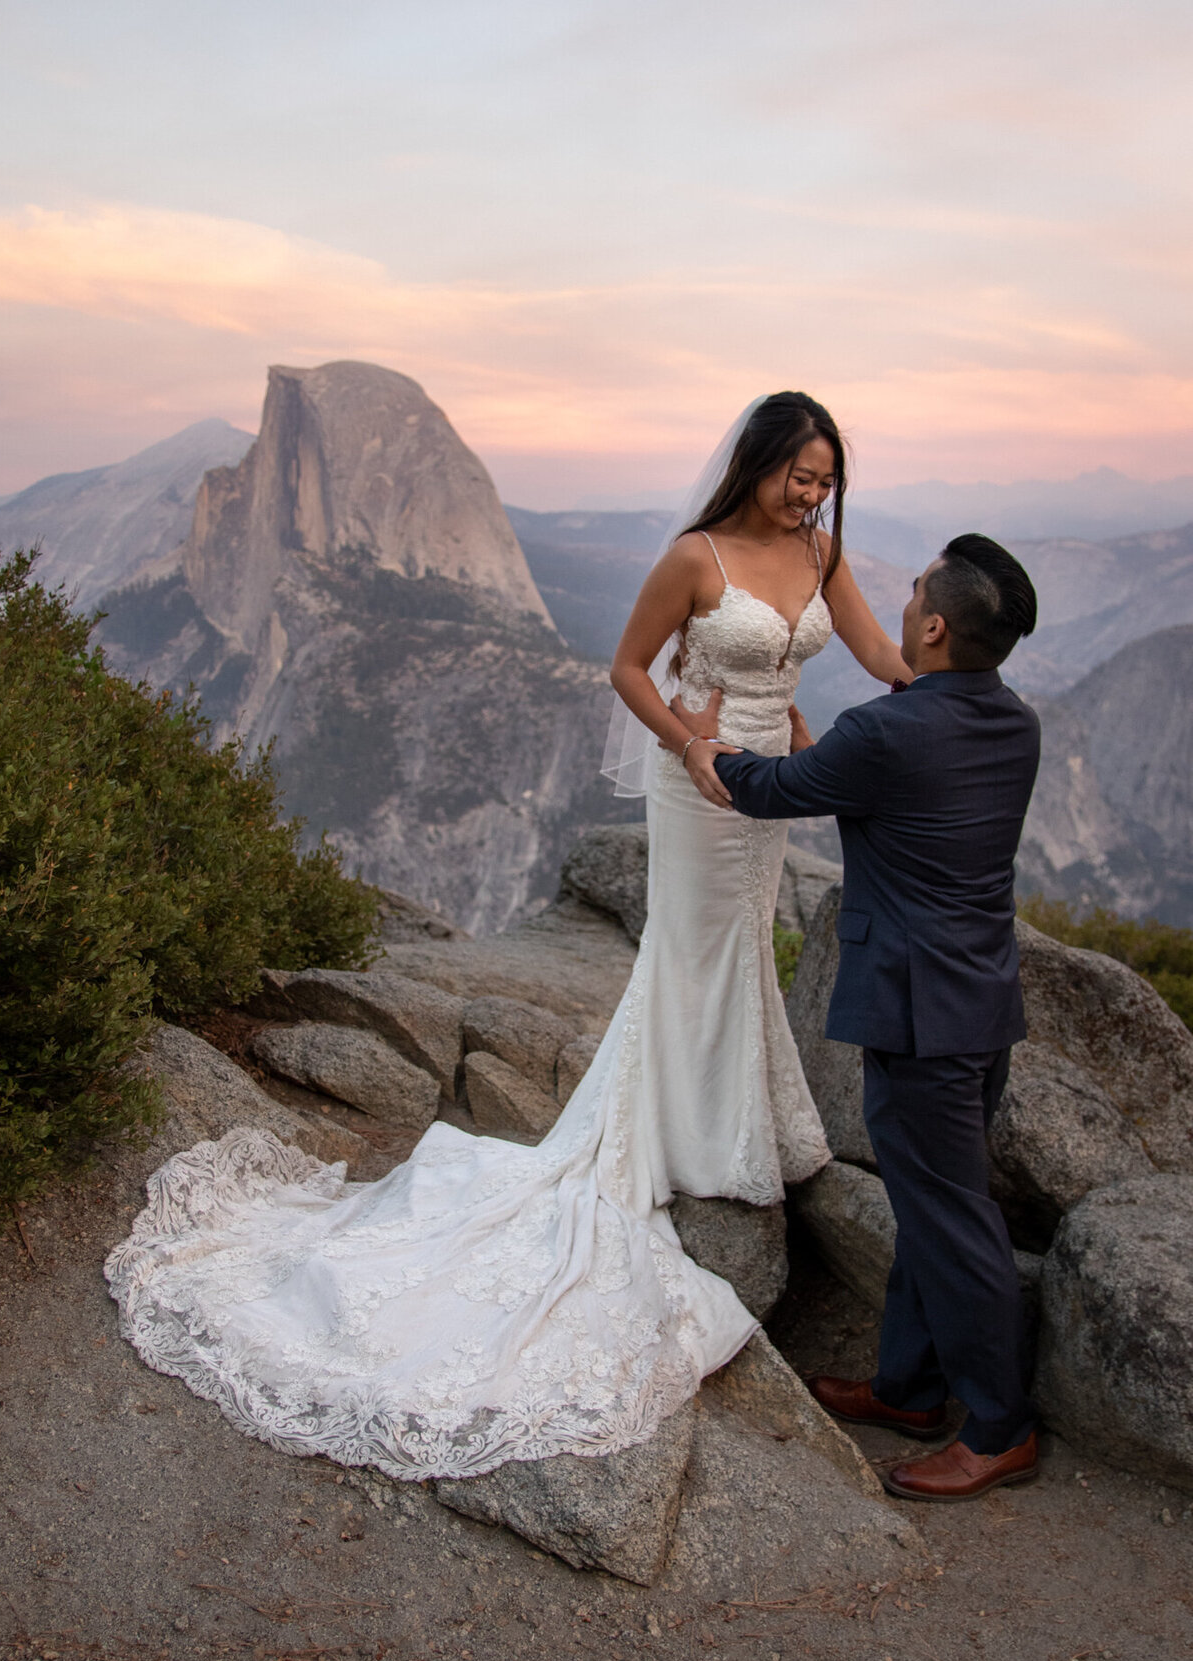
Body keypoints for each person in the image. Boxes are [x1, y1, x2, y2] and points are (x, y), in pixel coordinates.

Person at [105, 392, 910, 1485]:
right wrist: (687, 746)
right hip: (702, 783)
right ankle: (681, 1133)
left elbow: (872, 653)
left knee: (741, 945)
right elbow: (628, 670)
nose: (811, 493)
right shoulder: (696, 556)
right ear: (760, 462)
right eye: (797, 473)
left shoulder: (823, 553)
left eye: (825, 478)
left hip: (776, 786)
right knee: (689, 945)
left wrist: (958, 697)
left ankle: (739, 1117)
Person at [692, 534, 1042, 1501]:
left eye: (916, 591)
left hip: (920, 1015)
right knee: (936, 1205)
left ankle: (1001, 1428)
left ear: (931, 626)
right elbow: (918, 809)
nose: (902, 601)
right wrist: (834, 761)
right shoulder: (1015, 723)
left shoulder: (885, 735)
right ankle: (911, 1388)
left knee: (953, 1219)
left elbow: (760, 792)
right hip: (982, 1004)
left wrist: (696, 738)